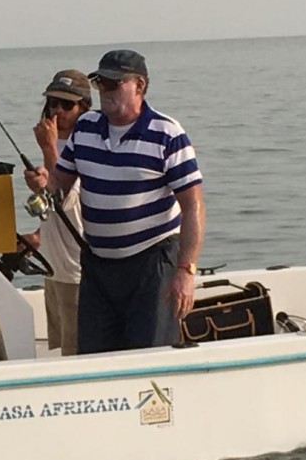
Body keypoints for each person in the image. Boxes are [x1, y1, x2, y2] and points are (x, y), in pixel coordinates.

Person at [25, 49, 205, 354]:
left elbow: (193, 206)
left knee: (150, 354)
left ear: (140, 85)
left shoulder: (167, 134)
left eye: (114, 83)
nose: (105, 91)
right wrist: (43, 189)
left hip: (152, 263)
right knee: (94, 355)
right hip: (98, 265)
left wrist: (185, 271)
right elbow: (60, 183)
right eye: (100, 83)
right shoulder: (85, 128)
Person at [20, 69, 91, 356]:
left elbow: (71, 196)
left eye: (67, 105)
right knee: (58, 347)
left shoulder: (88, 144)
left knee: (75, 352)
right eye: (53, 103)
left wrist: (49, 149)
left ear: (84, 107)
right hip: (53, 266)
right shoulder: (54, 144)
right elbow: (54, 201)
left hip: (77, 269)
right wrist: (37, 234)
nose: (57, 111)